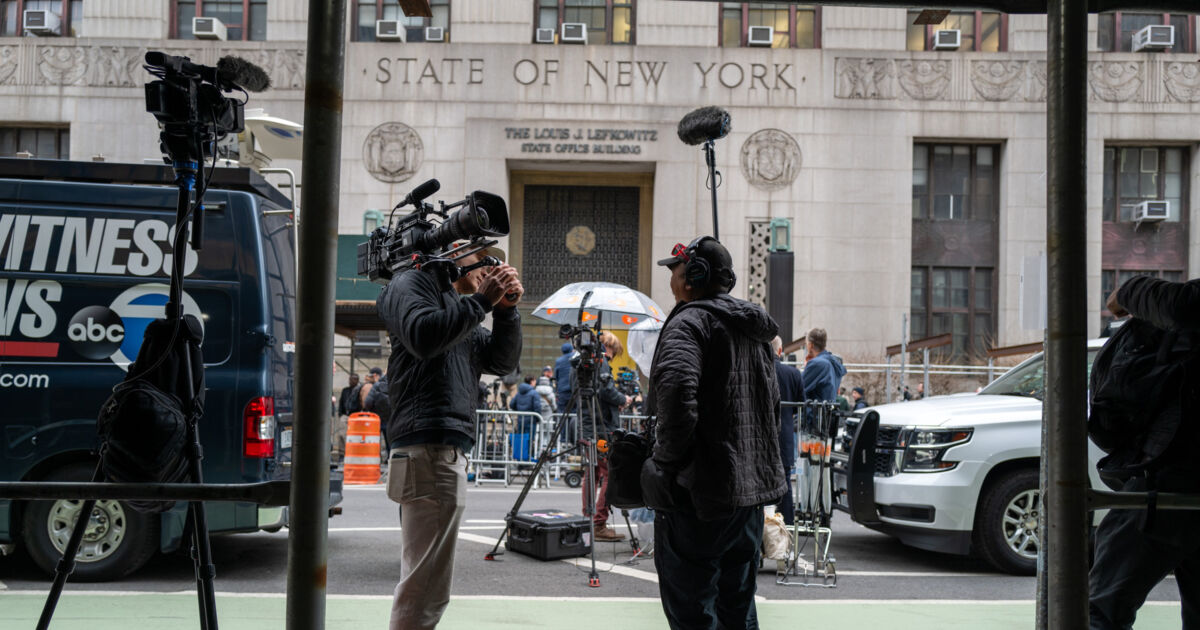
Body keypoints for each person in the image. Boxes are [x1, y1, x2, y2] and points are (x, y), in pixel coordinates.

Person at [377, 245, 523, 630]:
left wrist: (505, 311)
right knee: (425, 590)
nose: (490, 273)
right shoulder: (414, 284)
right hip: (430, 447)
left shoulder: (457, 310)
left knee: (423, 583)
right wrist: (480, 302)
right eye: (487, 263)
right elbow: (423, 336)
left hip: (438, 448)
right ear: (459, 255)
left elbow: (501, 362)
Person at [643, 236, 786, 629]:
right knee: (737, 608)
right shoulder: (754, 333)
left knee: (692, 611)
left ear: (693, 276)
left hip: (699, 497)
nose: (671, 278)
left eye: (674, 270)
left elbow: (675, 397)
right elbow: (770, 408)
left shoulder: (689, 322)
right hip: (748, 498)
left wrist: (665, 465)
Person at [1089, 276, 1199, 630]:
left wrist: (1130, 289)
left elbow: (1184, 305)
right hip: (1179, 479)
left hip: (1172, 480)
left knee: (1101, 611)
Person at [574, 330, 631, 542]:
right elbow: (606, 392)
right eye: (614, 352)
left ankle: (589, 519)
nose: (612, 356)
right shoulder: (601, 362)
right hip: (602, 429)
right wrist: (623, 398)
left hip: (588, 426)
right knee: (609, 471)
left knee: (592, 472)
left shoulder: (581, 363)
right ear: (609, 347)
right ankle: (599, 522)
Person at [771, 336, 804, 526]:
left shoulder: (758, 371)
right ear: (780, 350)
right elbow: (801, 404)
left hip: (761, 438)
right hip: (784, 436)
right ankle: (787, 528)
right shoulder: (793, 374)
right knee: (784, 484)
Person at [508, 375, 542, 461]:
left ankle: (521, 459)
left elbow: (512, 404)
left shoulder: (519, 393)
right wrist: (537, 418)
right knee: (529, 440)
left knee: (522, 440)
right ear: (531, 381)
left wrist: (519, 410)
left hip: (521, 420)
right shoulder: (534, 393)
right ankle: (527, 459)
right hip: (531, 420)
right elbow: (537, 407)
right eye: (534, 381)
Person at [333, 373, 359, 461]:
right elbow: (341, 402)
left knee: (355, 435)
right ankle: (342, 453)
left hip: (355, 416)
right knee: (341, 435)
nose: (351, 381)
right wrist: (340, 414)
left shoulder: (359, 390)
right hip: (345, 415)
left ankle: (353, 453)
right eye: (350, 379)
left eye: (354, 379)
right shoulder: (345, 390)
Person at [554, 342, 574, 413]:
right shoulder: (575, 358)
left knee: (562, 412)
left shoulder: (558, 361)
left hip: (562, 391)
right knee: (574, 413)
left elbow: (556, 376)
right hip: (574, 389)